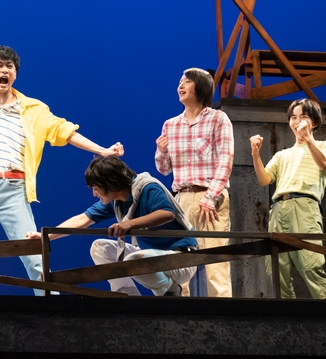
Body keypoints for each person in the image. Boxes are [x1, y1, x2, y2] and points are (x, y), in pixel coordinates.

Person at [0, 10, 124, 295]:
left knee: (34, 256)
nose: (5, 70)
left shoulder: (33, 109)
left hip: (14, 190)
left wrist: (103, 150)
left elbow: (65, 131)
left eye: (10, 66)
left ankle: (51, 310)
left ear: (15, 74)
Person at [27, 155, 197, 296]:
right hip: (152, 257)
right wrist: (45, 236)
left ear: (110, 183)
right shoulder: (116, 201)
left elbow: (166, 213)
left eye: (96, 188)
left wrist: (129, 224)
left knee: (134, 260)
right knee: (99, 247)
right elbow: (82, 219)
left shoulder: (148, 188)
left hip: (180, 259)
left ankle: (170, 291)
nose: (94, 194)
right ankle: (126, 296)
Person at [155, 68, 234, 297]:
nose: (181, 85)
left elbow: (225, 160)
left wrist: (210, 197)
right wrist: (161, 151)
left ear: (200, 87)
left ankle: (223, 313)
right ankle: (182, 312)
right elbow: (164, 169)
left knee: (215, 262)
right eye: (180, 81)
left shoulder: (218, 119)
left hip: (209, 198)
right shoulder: (170, 125)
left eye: (187, 81)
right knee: (180, 261)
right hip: (180, 199)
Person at [250, 99, 326, 299]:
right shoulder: (282, 155)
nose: (297, 121)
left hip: (304, 207)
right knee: (277, 271)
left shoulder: (322, 146)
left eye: (303, 116)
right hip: (278, 209)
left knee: (311, 266)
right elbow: (264, 179)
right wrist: (255, 154)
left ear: (314, 122)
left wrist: (308, 139)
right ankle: (288, 317)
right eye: (293, 117)